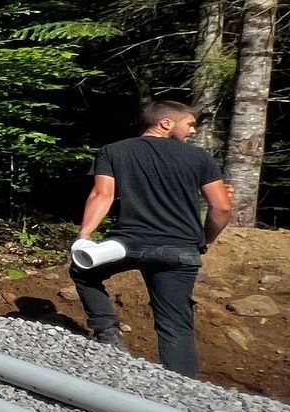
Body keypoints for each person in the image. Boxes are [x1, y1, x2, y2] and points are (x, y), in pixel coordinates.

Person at [71, 100, 234, 378]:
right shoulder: (199, 158)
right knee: (175, 324)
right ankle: (183, 390)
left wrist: (84, 237)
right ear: (165, 123)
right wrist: (203, 240)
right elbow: (222, 207)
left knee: (83, 270)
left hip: (127, 245)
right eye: (190, 124)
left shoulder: (114, 151)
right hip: (180, 249)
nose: (193, 131)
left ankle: (108, 334)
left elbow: (102, 195)